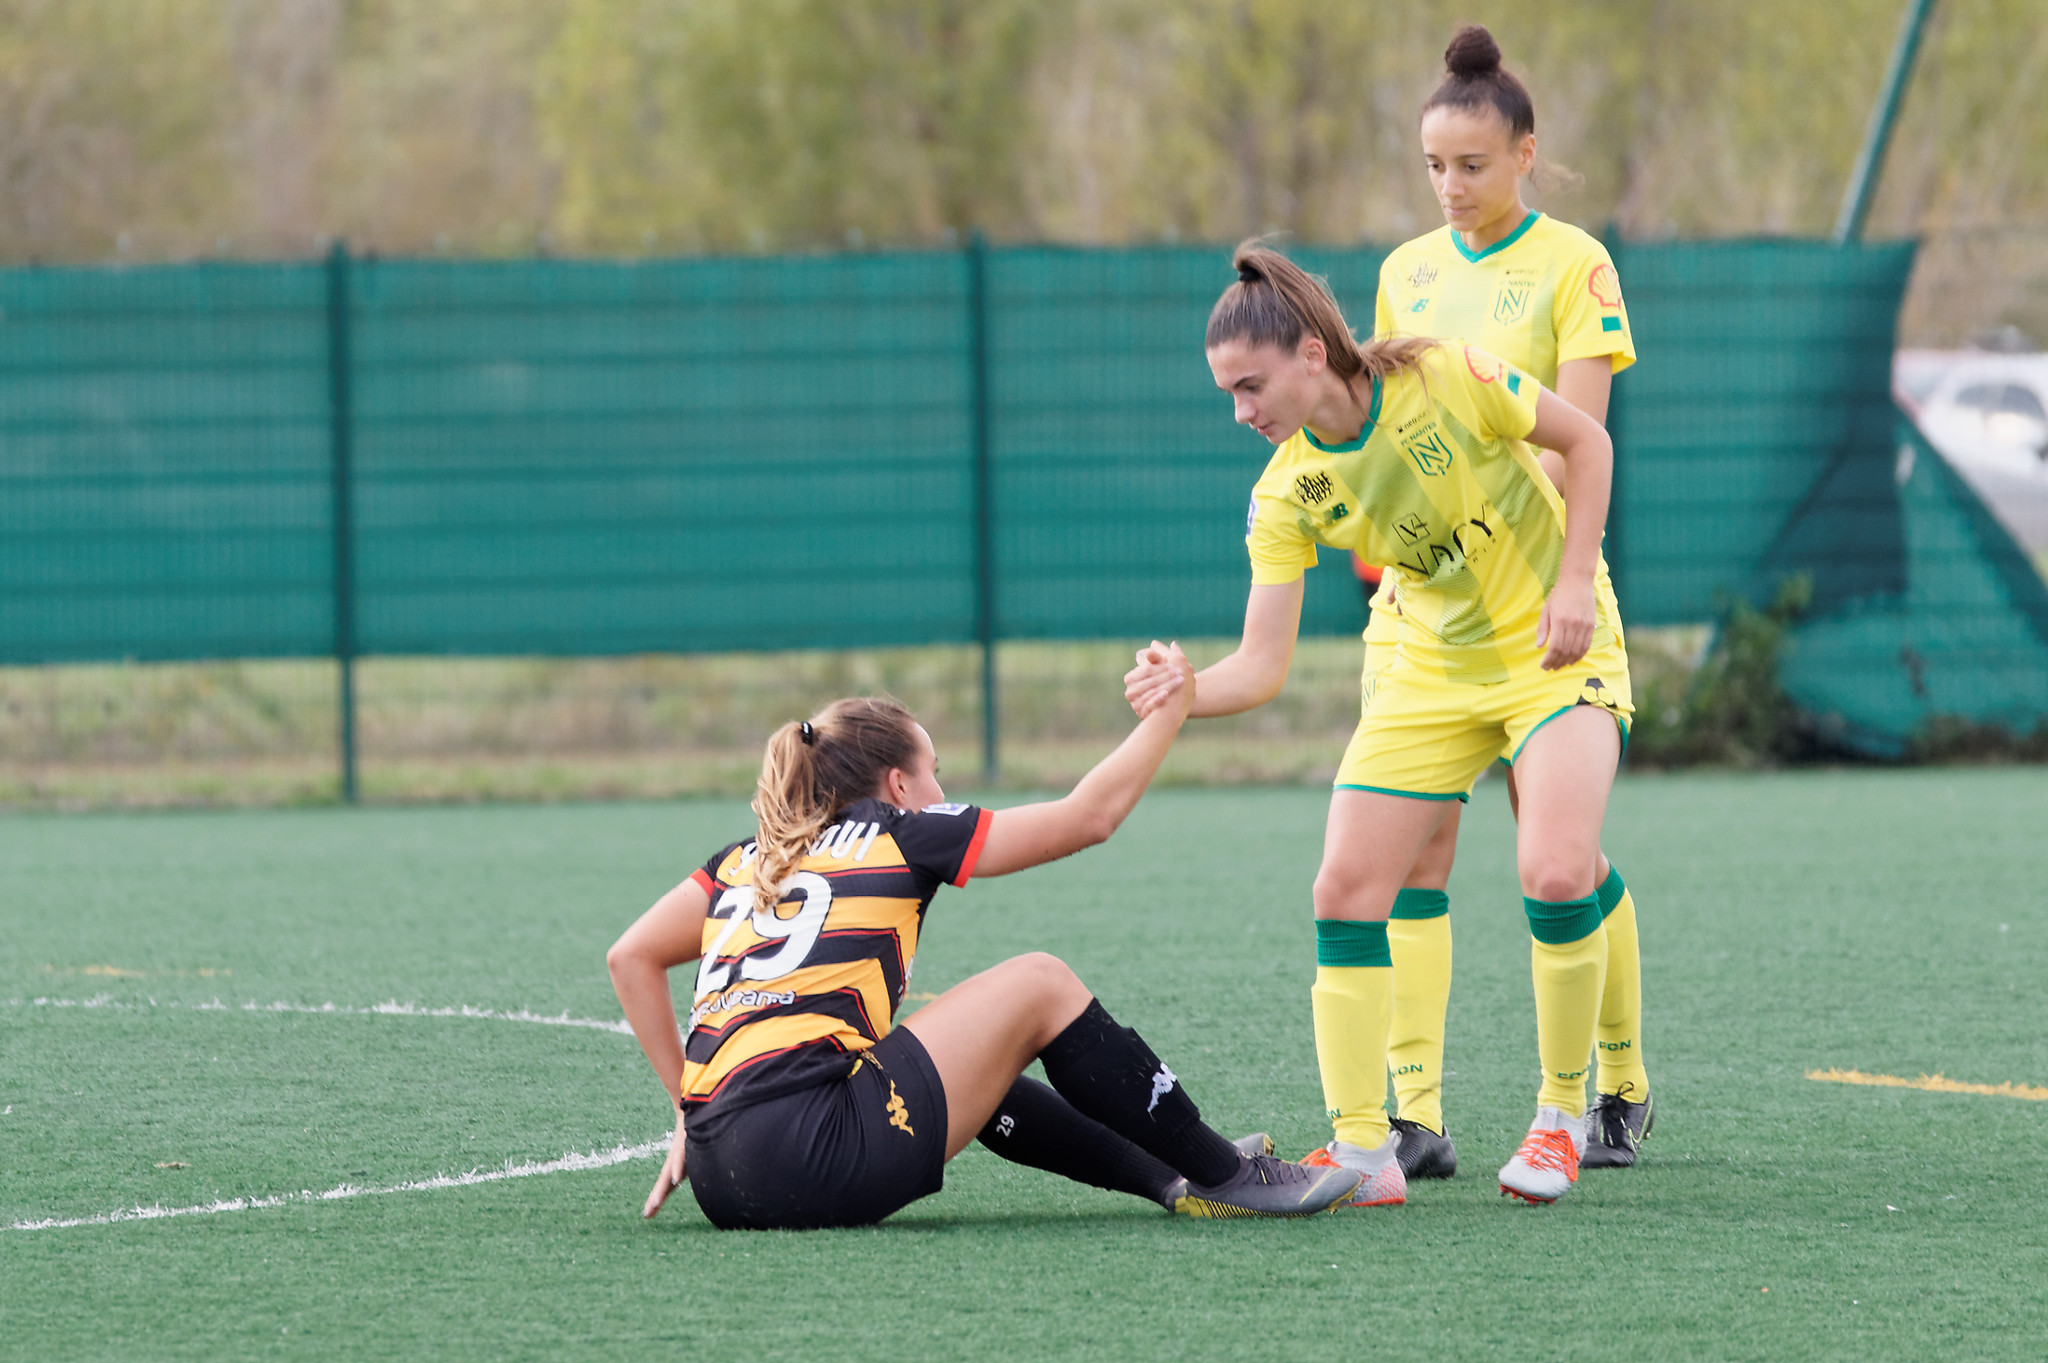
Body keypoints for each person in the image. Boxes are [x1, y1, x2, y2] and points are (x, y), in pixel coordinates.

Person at [1126, 239, 1630, 1205]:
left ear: (1312, 353)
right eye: (1228, 394)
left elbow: (1589, 445)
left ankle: (1561, 1116)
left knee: (1558, 870)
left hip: (1553, 649)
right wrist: (1185, 686)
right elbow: (1261, 665)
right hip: (1433, 673)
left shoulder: (1446, 374)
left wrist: (1575, 582)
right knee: (1345, 889)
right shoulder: (1284, 490)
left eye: (1249, 386)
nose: (1241, 412)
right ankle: (1364, 1150)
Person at [609, 675, 1362, 1230]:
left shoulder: (746, 858)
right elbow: (1090, 817)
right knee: (1039, 983)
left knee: (975, 1039)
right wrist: (1172, 711)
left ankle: (1170, 1173)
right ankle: (1230, 1176)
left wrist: (687, 1105)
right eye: (933, 770)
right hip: (814, 1154)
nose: (941, 786)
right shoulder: (902, 831)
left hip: (720, 1178)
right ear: (898, 784)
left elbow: (630, 955)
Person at [1359, 23, 1654, 1179]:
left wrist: (1530, 556)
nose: (1449, 185)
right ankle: (1414, 1115)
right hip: (1424, 614)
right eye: (1433, 164)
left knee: (1559, 858)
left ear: (1524, 155)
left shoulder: (1575, 264)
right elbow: (1389, 433)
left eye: (1471, 164)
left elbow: (1572, 443)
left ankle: (1613, 1086)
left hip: (1535, 600)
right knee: (1410, 856)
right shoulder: (1403, 273)